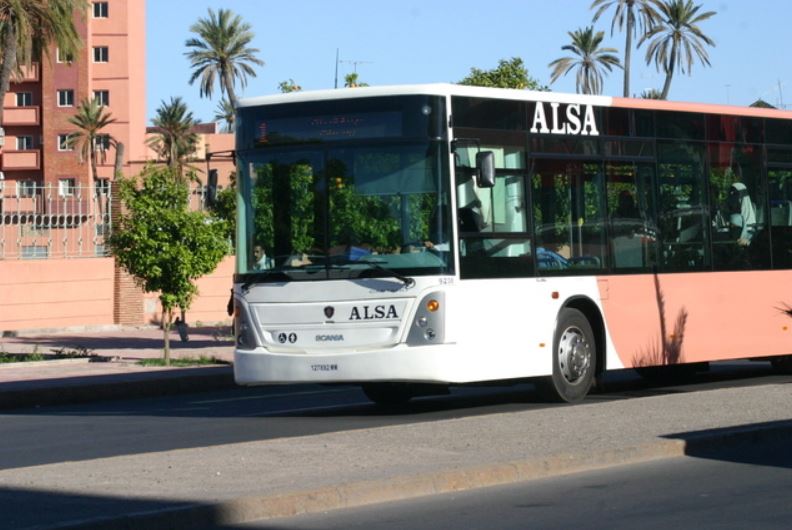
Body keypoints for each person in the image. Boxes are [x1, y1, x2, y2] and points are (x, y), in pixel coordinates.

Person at [726, 178, 756, 246]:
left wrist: (747, 242)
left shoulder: (751, 218)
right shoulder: (728, 213)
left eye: (735, 194)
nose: (732, 199)